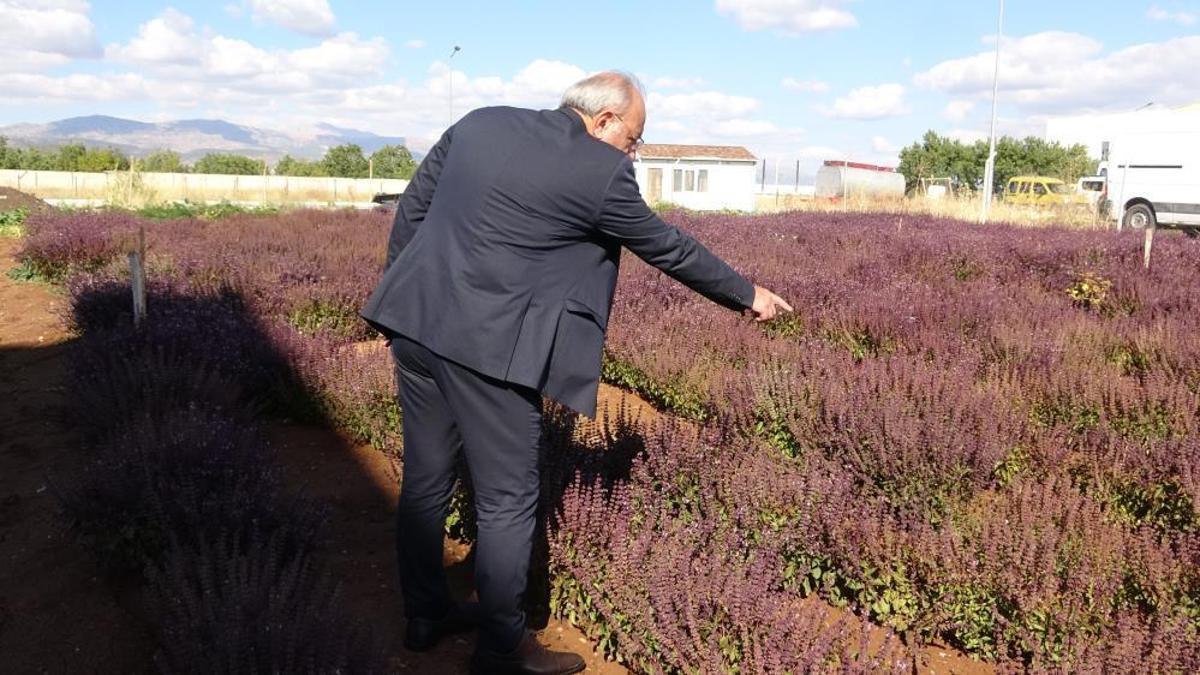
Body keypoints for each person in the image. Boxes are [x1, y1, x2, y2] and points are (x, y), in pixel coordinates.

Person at [360, 71, 792, 675]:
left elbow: (414, 208)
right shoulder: (601, 171)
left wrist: (401, 290)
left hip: (415, 323)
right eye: (634, 138)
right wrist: (747, 293)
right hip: (491, 352)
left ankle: (426, 614)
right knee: (508, 499)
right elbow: (667, 247)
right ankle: (502, 648)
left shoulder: (482, 121)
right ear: (605, 120)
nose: (633, 151)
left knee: (427, 478)